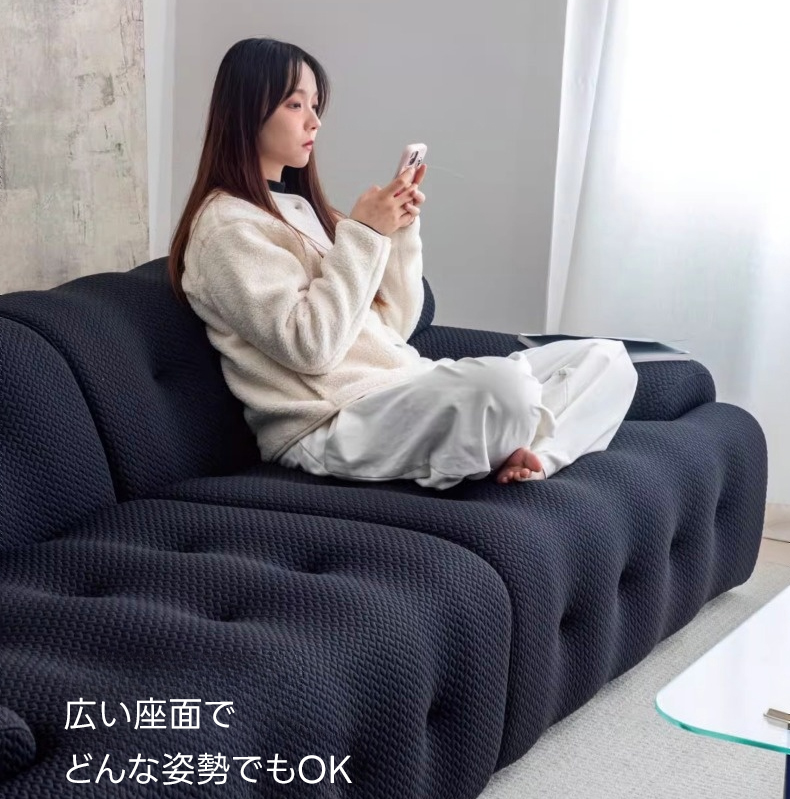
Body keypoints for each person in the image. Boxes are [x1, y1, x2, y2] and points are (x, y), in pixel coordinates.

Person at [169, 37, 638, 490]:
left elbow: (396, 326)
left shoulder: (308, 211)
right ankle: (516, 435)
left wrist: (397, 235)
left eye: (316, 105)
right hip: (332, 422)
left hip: (400, 388)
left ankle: (537, 459)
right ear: (246, 111)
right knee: (505, 388)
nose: (314, 121)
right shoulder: (227, 229)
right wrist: (366, 234)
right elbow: (309, 348)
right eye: (295, 105)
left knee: (608, 358)